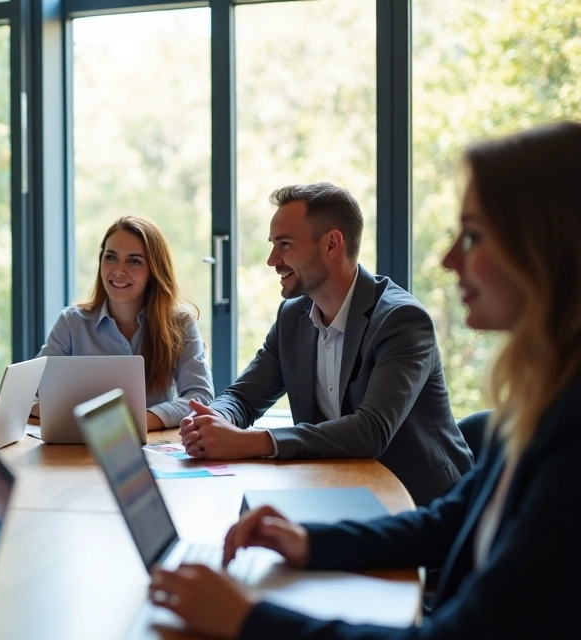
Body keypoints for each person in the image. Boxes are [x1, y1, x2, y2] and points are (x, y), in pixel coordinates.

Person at [151, 122, 581, 638]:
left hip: (405, 495)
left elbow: (373, 432)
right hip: (357, 503)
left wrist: (247, 619)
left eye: (473, 235)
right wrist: (308, 540)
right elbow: (448, 522)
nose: (447, 259)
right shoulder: (540, 398)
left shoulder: (404, 320)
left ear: (547, 247)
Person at [179, 183, 472, 505]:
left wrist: (246, 442)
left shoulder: (401, 320)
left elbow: (370, 431)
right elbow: (242, 397)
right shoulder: (293, 316)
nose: (272, 260)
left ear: (331, 244)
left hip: (424, 504)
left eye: (285, 245)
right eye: (273, 245)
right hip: (336, 489)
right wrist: (212, 420)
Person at [38, 215, 213, 430]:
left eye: (134, 261)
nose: (119, 270)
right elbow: (34, 391)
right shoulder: (71, 323)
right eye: (111, 257)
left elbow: (200, 397)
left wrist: (137, 422)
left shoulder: (180, 323)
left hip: (152, 442)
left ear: (153, 271)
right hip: (78, 441)